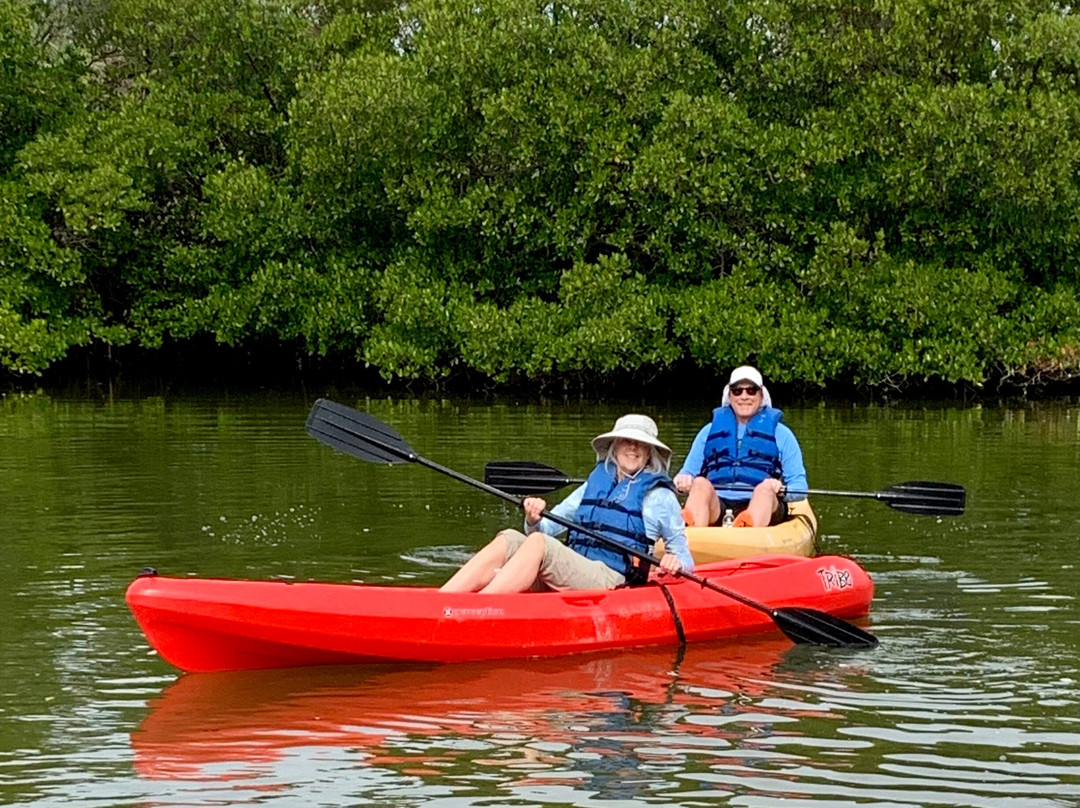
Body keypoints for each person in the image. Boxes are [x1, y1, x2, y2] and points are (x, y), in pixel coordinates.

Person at [440, 414, 694, 594]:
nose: (633, 448)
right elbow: (546, 530)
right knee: (510, 537)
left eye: (640, 444)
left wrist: (676, 562)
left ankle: (478, 610)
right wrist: (533, 519)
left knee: (540, 545)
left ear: (650, 452)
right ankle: (444, 599)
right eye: (626, 441)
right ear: (614, 447)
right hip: (577, 566)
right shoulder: (594, 484)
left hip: (612, 578)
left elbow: (685, 557)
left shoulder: (660, 496)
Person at [674, 366, 807, 528]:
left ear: (761, 395)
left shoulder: (782, 434)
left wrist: (780, 488)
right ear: (729, 396)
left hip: (764, 506)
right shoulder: (708, 432)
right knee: (700, 483)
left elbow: (800, 488)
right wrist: (683, 480)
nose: (744, 397)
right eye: (737, 391)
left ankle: (747, 531)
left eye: (751, 391)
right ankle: (689, 540)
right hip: (718, 505)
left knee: (764, 489)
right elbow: (686, 473)